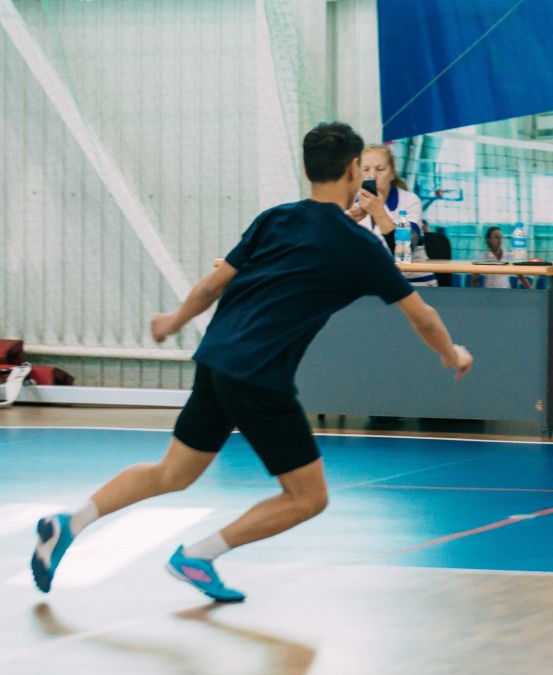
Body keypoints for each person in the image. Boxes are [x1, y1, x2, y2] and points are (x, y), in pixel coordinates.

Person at [29, 122, 473, 603]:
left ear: (307, 168)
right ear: (353, 169)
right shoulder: (360, 247)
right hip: (259, 376)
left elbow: (211, 285)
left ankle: (69, 522)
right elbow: (423, 315)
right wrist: (452, 353)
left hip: (216, 358)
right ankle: (198, 556)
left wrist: (174, 321)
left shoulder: (275, 218)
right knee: (308, 498)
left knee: (173, 473)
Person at [350, 144, 436, 291]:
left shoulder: (410, 201)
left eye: (380, 169)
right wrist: (347, 223)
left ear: (392, 174)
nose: (372, 176)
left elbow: (406, 248)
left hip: (414, 287)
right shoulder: (352, 204)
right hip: (370, 287)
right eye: (366, 169)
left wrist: (379, 212)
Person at [474, 225, 515, 289]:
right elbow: (474, 280)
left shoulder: (509, 256)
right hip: (488, 292)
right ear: (489, 240)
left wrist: (529, 290)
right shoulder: (482, 257)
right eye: (496, 237)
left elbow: (521, 276)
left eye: (501, 237)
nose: (499, 239)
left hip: (506, 292)